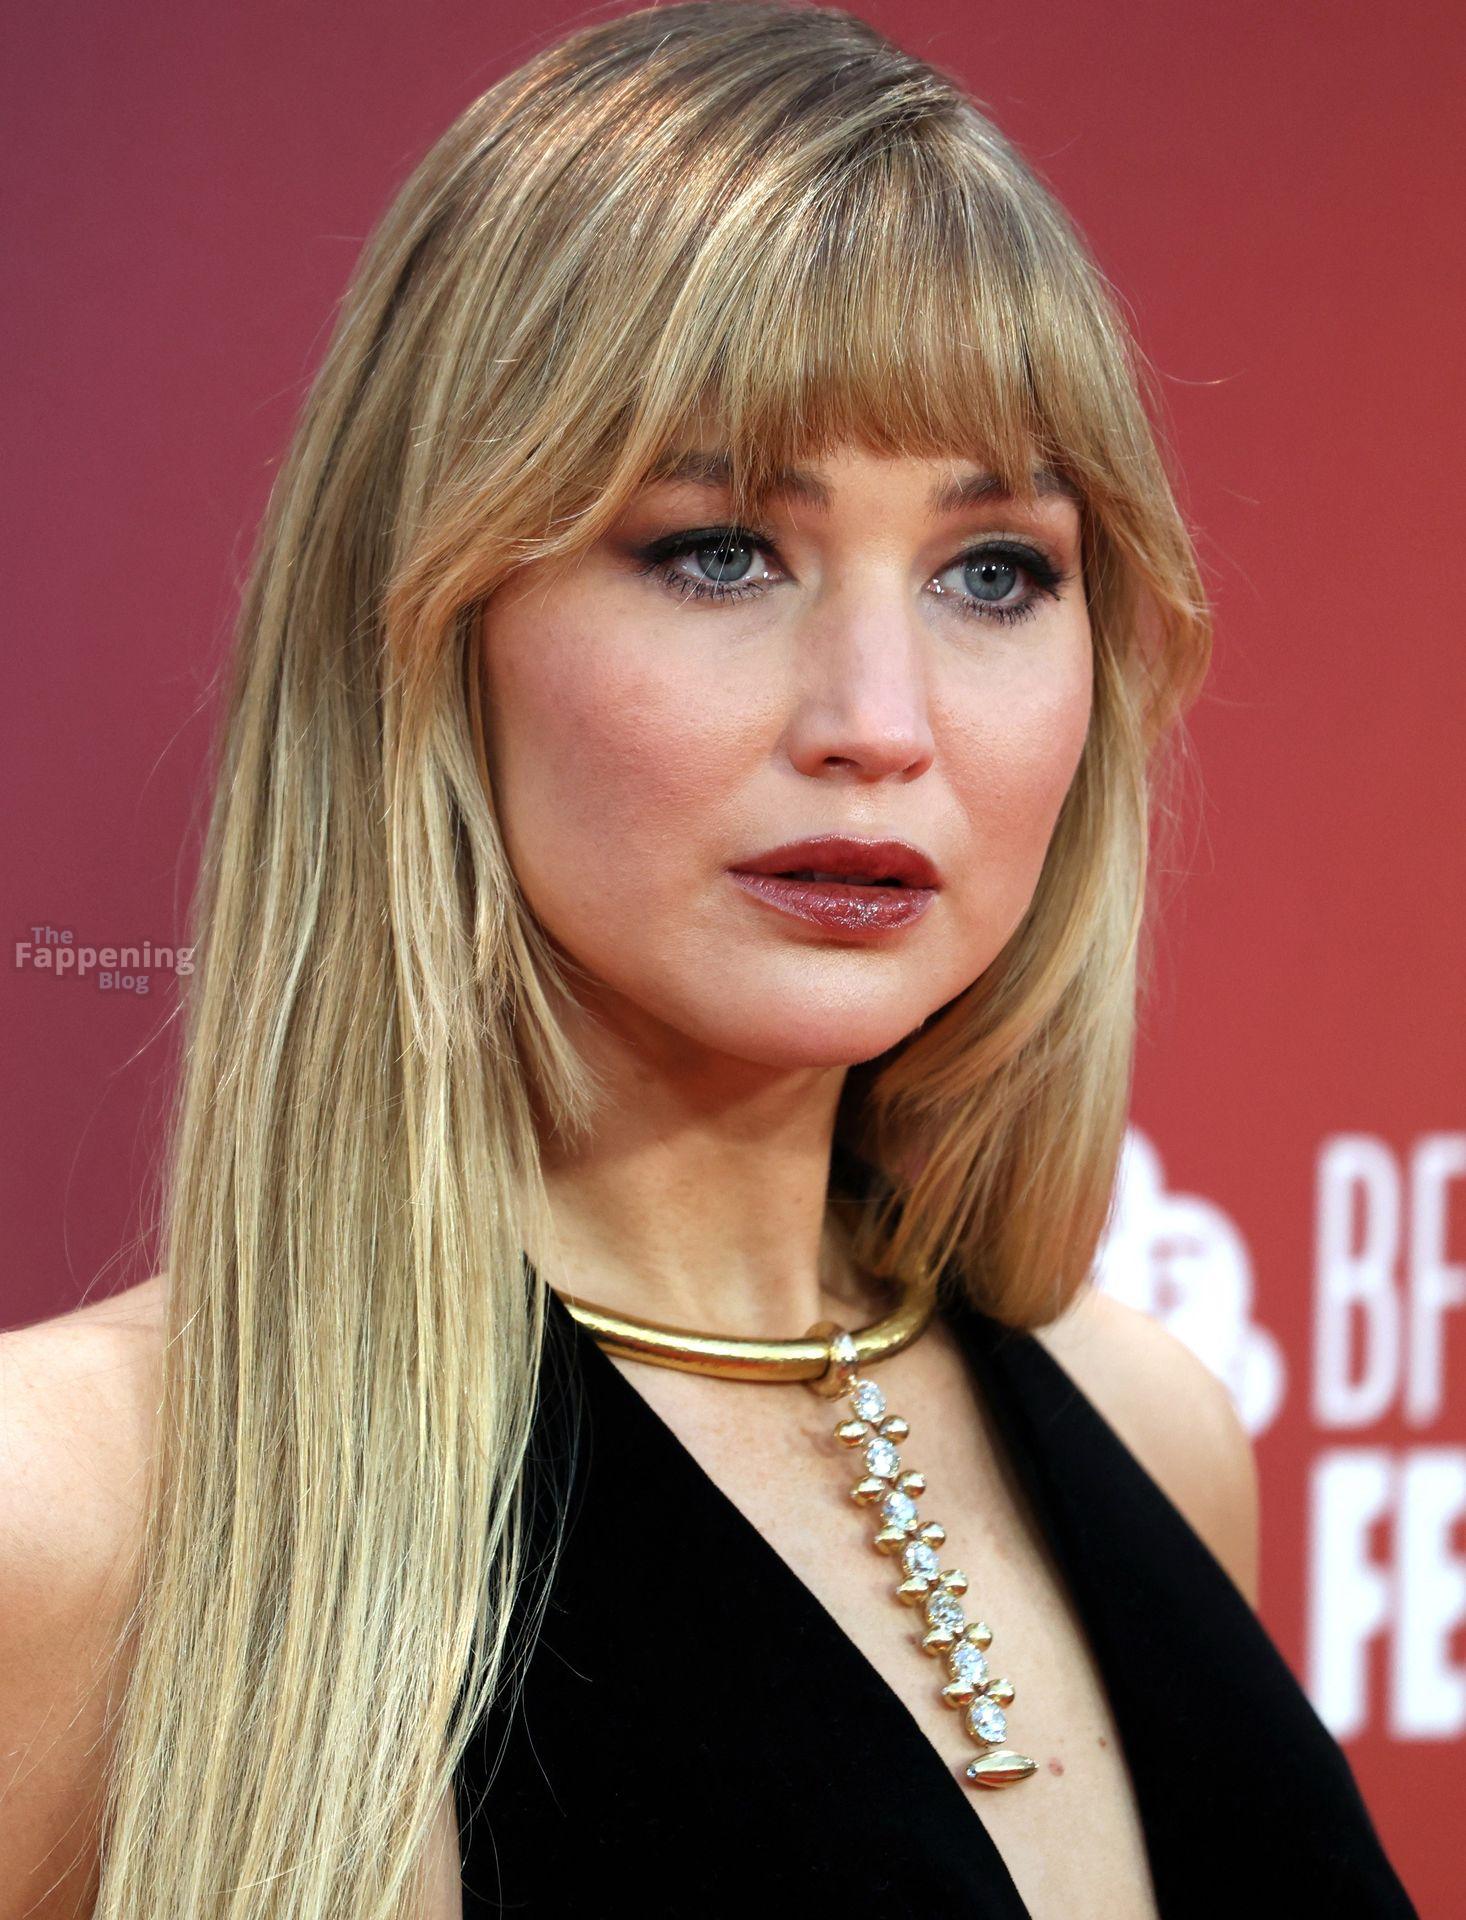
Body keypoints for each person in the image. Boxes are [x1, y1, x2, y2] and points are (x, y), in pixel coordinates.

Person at [0, 4, 1421, 1917]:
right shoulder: (80, 1516)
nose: (878, 721)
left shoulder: (1156, 1427)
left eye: (993, 570)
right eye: (720, 550)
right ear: (427, 619)